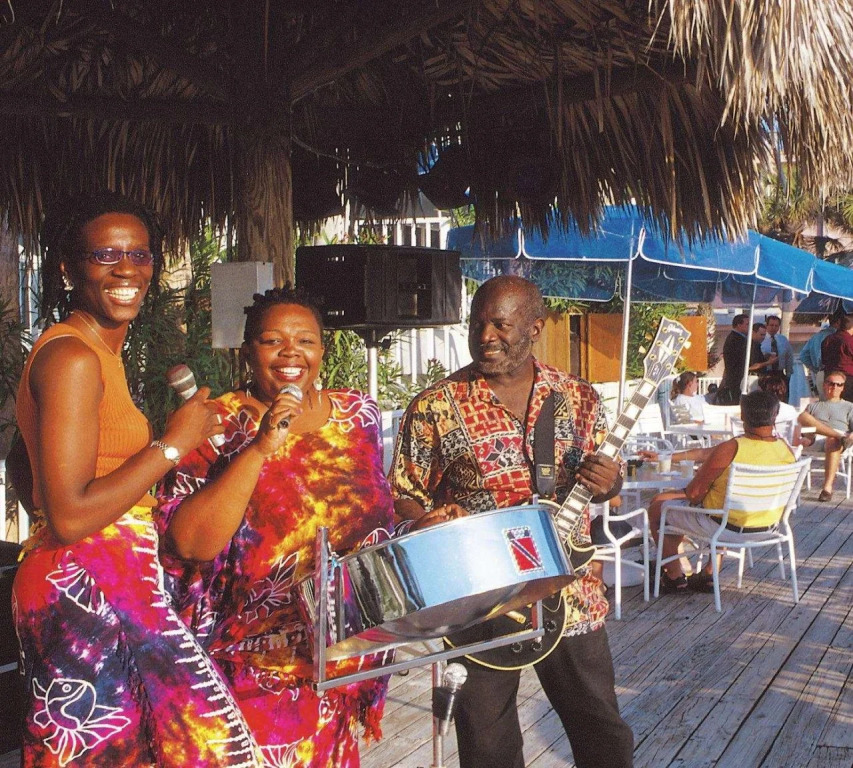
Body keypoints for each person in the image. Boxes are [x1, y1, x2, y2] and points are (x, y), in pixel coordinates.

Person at [11, 192, 261, 767]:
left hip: (97, 574)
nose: (127, 270)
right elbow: (70, 516)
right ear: (68, 269)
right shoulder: (73, 359)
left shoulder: (90, 351)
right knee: (205, 747)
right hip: (85, 582)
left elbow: (21, 457)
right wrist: (172, 444)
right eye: (105, 255)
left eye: (140, 255)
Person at [389, 275, 633, 768]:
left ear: (534, 328)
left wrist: (611, 482)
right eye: (476, 324)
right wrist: (431, 520)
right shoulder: (435, 406)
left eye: (500, 325)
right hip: (480, 601)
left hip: (572, 591)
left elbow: (609, 482)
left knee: (602, 735)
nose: (486, 337)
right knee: (487, 747)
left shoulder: (579, 398)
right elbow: (403, 496)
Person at [156, 287, 394, 767]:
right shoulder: (213, 424)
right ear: (248, 351)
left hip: (341, 659)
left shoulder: (358, 414)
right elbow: (188, 544)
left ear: (322, 350)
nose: (291, 353)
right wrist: (260, 448)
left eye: (305, 341)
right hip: (249, 668)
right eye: (272, 341)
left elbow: (375, 517)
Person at [647, 391, 796, 594]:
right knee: (719, 506)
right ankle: (710, 573)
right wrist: (665, 457)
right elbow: (705, 454)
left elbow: (694, 494)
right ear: (775, 415)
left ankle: (674, 576)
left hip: (726, 529)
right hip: (769, 527)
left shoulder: (732, 448)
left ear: (742, 415)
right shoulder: (785, 450)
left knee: (658, 508)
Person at [797, 371, 853, 501]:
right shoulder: (813, 405)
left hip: (838, 442)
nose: (835, 387)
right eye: (831, 383)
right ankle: (837, 436)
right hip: (815, 438)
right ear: (824, 385)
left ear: (843, 388)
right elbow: (801, 424)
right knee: (803, 416)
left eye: (839, 385)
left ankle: (827, 488)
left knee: (832, 440)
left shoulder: (849, 407)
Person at [716, 315, 776, 405]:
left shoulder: (739, 339)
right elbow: (748, 365)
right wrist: (768, 362)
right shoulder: (737, 340)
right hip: (739, 382)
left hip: (737, 380)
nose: (749, 327)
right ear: (739, 325)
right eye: (747, 324)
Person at [799, 311, 843, 394]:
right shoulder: (838, 337)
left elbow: (803, 356)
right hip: (836, 375)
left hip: (821, 374)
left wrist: (816, 369)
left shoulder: (816, 336)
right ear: (839, 322)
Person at [821, 313, 853, 402]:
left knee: (833, 404)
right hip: (848, 379)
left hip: (830, 377)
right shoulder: (850, 341)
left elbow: (824, 360)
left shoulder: (828, 339)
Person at [761, 314, 794, 384]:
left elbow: (789, 356)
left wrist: (788, 374)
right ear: (766, 325)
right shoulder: (761, 339)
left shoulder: (783, 339)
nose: (774, 328)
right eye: (771, 325)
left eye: (776, 326)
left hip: (780, 374)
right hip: (765, 373)